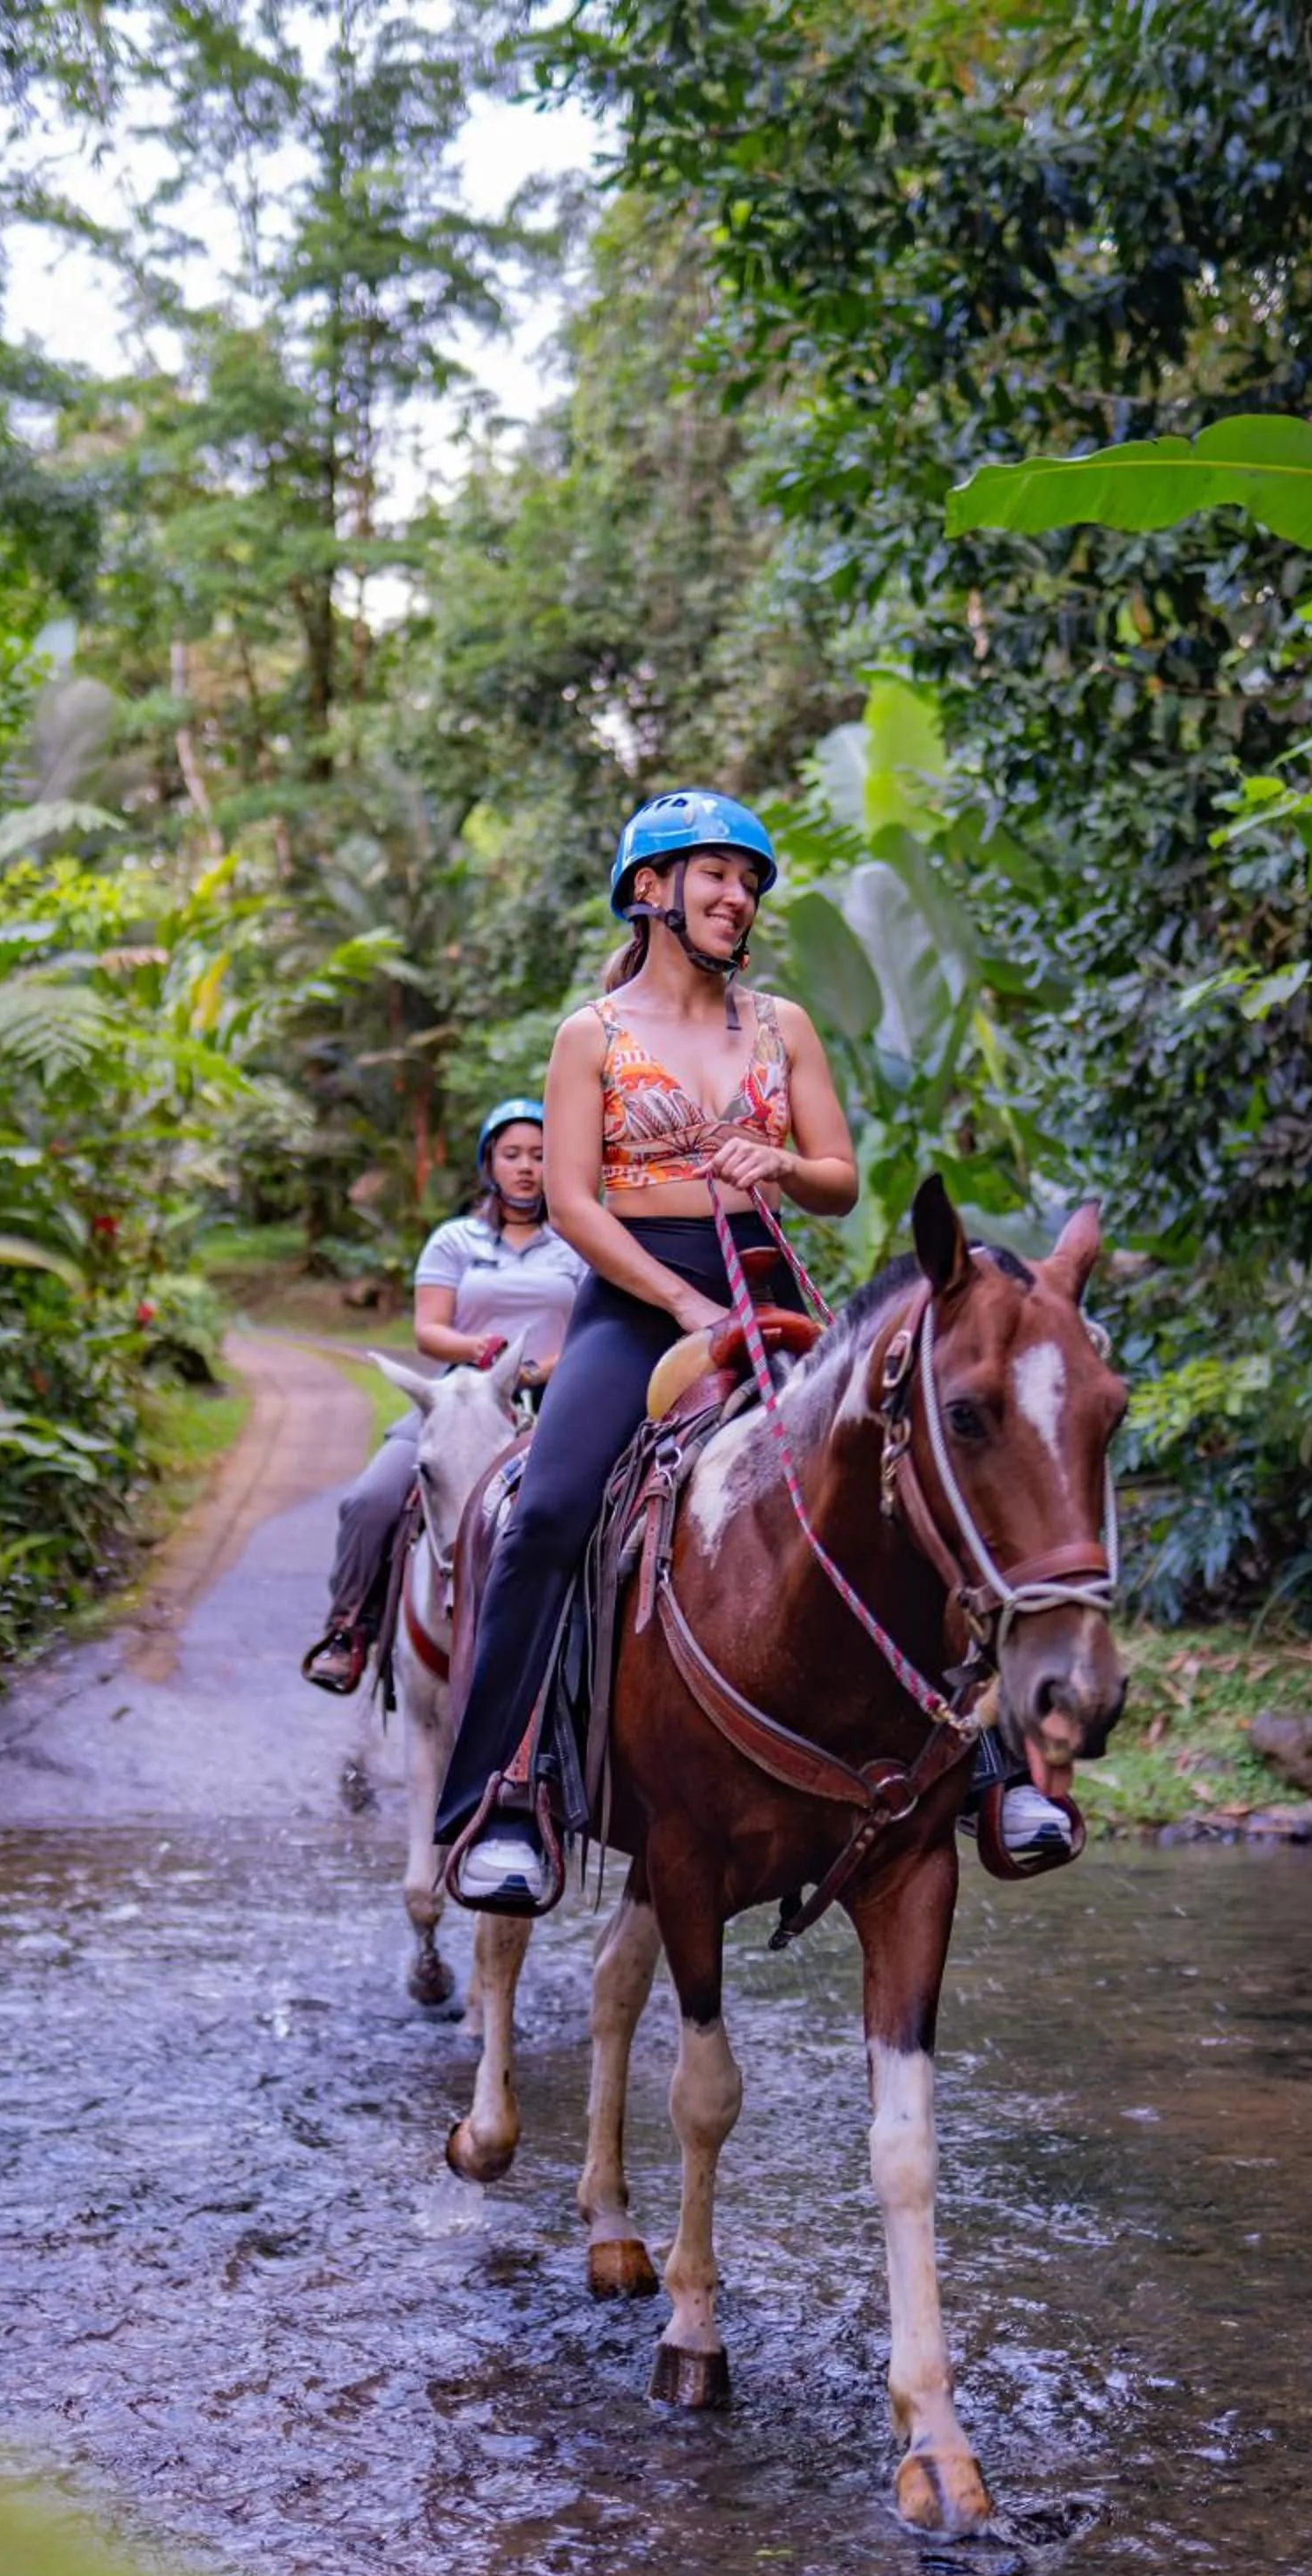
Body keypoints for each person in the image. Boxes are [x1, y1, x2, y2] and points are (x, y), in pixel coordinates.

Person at [436, 788, 863, 1910]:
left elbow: (839, 1181)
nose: (737, 896)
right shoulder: (591, 1033)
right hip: (637, 1296)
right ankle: (502, 1800)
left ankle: (984, 1766)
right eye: (714, 874)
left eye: (748, 880)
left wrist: (781, 1166)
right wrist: (680, 1305)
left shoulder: (782, 1026)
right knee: (545, 1515)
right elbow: (572, 1205)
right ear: (648, 890)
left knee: (903, 1454)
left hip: (765, 1273)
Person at [301, 1100, 585, 1696]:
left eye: (539, 1156)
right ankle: (350, 1629)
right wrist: (477, 1350)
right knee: (371, 1498)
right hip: (458, 1396)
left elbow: (589, 1332)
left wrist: (535, 1370)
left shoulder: (579, 1240)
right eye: (512, 1155)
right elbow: (428, 1330)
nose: (526, 1167)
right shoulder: (455, 1239)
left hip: (554, 1402)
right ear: (489, 1163)